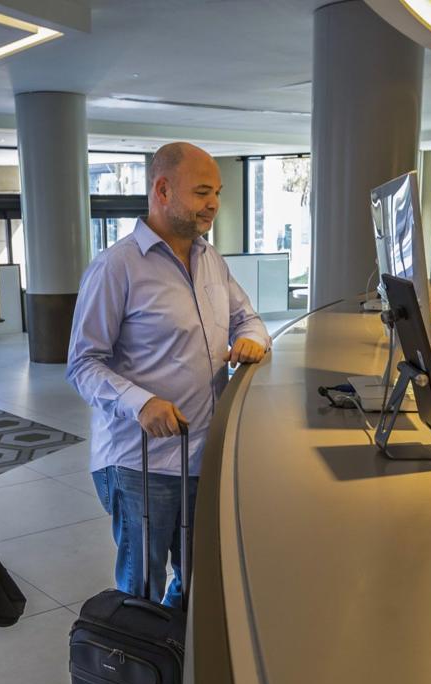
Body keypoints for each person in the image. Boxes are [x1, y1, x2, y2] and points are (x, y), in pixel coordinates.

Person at [67, 142, 271, 606]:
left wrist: (253, 339)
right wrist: (141, 403)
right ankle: (141, 672)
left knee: (197, 581)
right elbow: (82, 364)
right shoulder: (116, 267)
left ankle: (179, 665)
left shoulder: (210, 260)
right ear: (162, 190)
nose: (214, 204)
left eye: (216, 192)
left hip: (204, 455)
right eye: (202, 192)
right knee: (141, 590)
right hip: (141, 465)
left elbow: (250, 319)